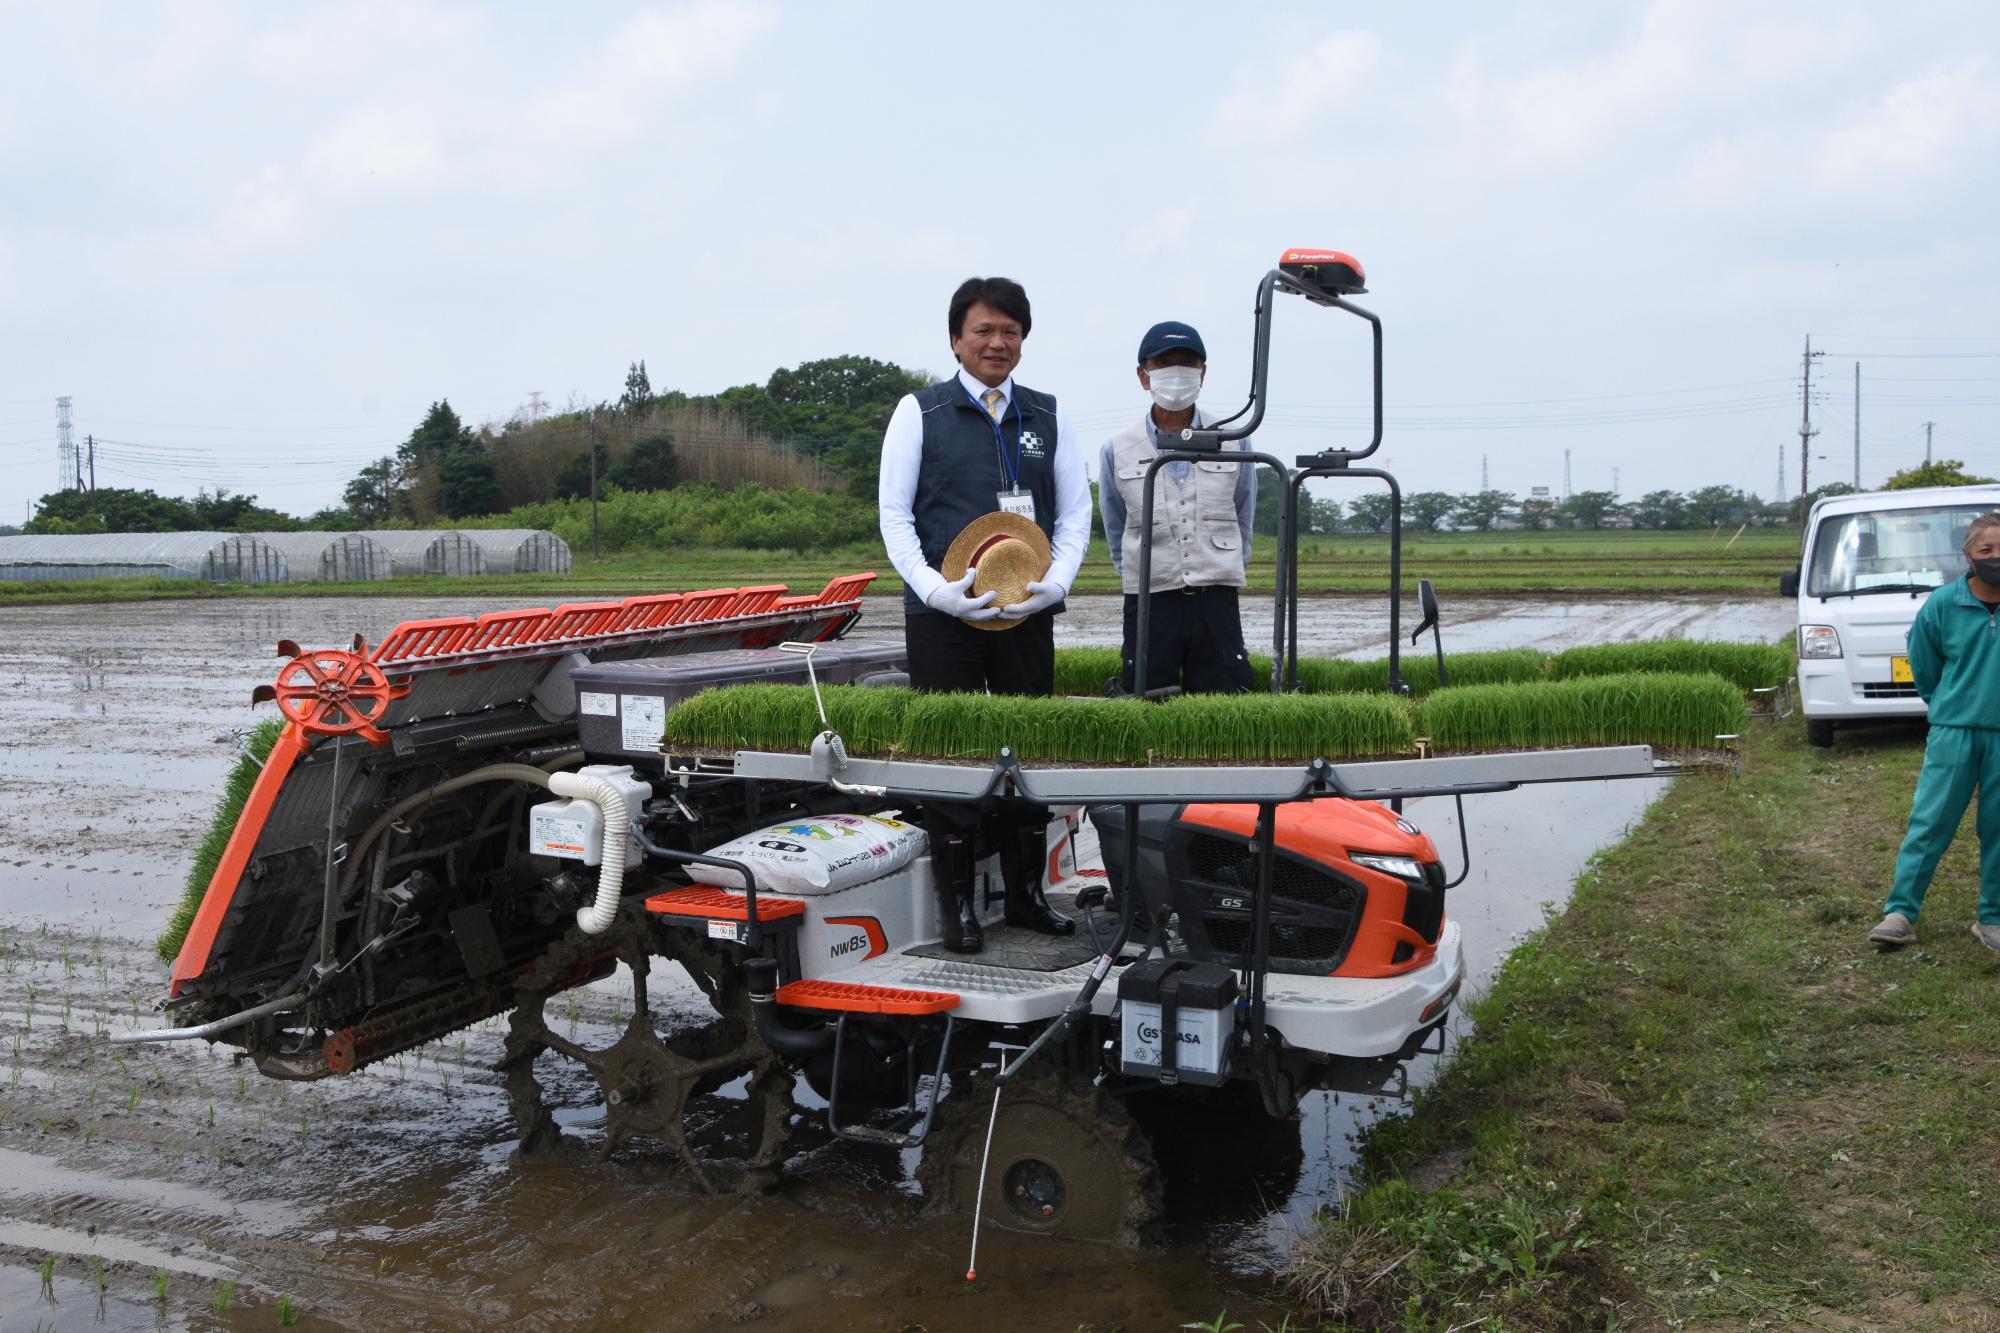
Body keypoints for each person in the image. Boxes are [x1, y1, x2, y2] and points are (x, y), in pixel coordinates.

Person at [878, 276, 1092, 952]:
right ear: (956, 340)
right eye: (985, 331)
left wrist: (1056, 582)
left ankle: (1027, 898)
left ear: (1022, 341)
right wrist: (932, 589)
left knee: (1028, 750)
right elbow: (894, 516)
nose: (998, 342)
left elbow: (1076, 512)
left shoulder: (1047, 416)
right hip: (945, 618)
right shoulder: (921, 412)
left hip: (1024, 612)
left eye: (1011, 331)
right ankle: (959, 910)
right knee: (954, 754)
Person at [1097, 320, 1257, 695]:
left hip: (1216, 596)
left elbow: (1243, 511)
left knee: (1225, 702)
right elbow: (1115, 525)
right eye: (1165, 364)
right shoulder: (1118, 447)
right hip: (1150, 599)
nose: (1178, 374)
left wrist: (1223, 564)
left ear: (1202, 372)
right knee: (1147, 697)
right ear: (1144, 375)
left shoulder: (1234, 440)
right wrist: (1140, 572)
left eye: (1187, 364)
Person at [1868, 510, 2000, 952]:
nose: (1995, 557)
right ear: (1968, 554)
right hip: (1954, 732)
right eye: (1987, 550)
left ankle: (1993, 918)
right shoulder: (1943, 604)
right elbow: (1924, 667)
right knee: (1931, 822)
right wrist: (1948, 705)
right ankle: (1900, 912)